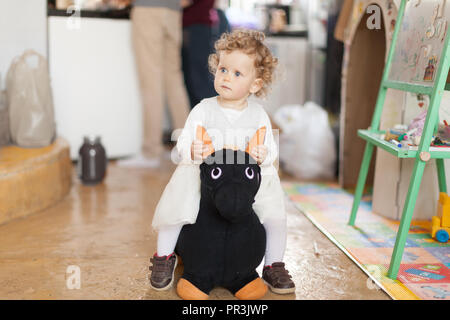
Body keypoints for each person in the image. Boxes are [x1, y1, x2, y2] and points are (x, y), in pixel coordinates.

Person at [149, 29, 295, 296]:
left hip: (245, 182)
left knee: (275, 212)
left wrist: (265, 155)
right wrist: (191, 148)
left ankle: (273, 264)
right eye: (223, 69)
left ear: (255, 85)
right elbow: (183, 142)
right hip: (207, 176)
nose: (227, 77)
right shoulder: (203, 109)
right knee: (177, 205)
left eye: (237, 74)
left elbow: (270, 150)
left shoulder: (258, 115)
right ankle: (164, 256)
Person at [118, 0, 191, 168]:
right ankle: (186, 149)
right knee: (174, 80)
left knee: (151, 79)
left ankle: (151, 151)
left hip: (147, 8)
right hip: (173, 12)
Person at [181, 0, 231, 109]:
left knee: (198, 81)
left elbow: (183, 2)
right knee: (194, 81)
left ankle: (213, 121)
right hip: (197, 27)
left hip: (196, 28)